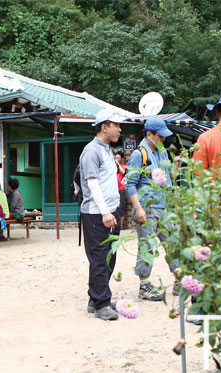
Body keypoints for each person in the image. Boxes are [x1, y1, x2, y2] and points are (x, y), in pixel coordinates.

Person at [79, 108, 125, 321]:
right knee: (99, 258)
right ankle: (102, 304)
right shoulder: (92, 151)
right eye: (115, 125)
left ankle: (95, 298)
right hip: (98, 214)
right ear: (104, 127)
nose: (119, 129)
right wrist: (105, 212)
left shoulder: (106, 149)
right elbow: (92, 184)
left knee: (109, 256)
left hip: (109, 212)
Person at [126, 117, 177, 302]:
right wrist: (138, 208)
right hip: (146, 208)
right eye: (160, 136)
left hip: (163, 207)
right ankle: (144, 285)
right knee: (147, 246)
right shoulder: (139, 154)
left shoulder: (161, 153)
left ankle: (180, 279)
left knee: (173, 242)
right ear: (149, 134)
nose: (163, 139)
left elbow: (168, 181)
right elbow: (130, 184)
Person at [114, 151, 128, 229]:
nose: (116, 159)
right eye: (115, 157)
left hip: (122, 189)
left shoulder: (125, 166)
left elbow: (123, 172)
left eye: (118, 158)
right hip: (114, 189)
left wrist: (118, 164)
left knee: (122, 207)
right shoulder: (113, 166)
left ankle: (121, 225)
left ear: (122, 159)